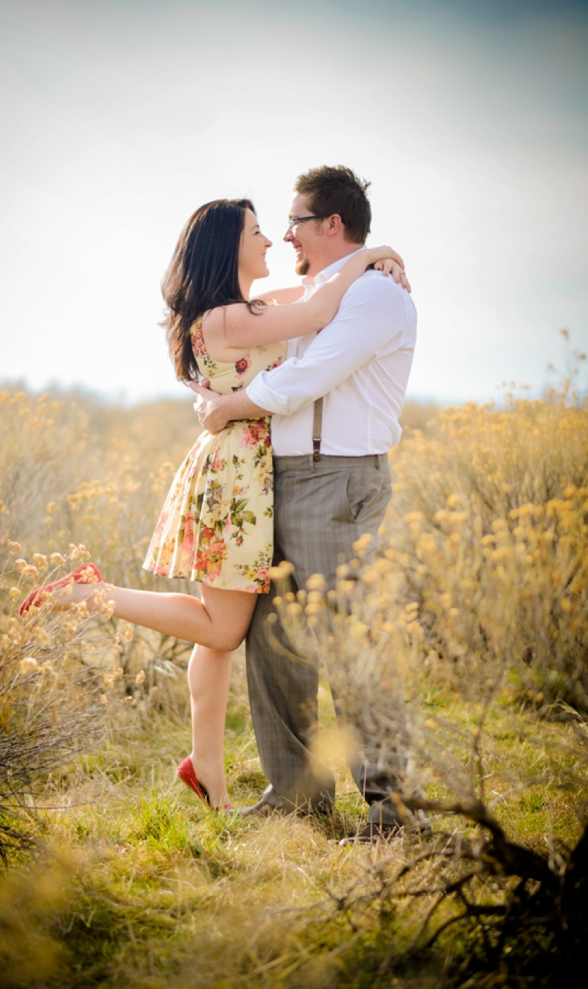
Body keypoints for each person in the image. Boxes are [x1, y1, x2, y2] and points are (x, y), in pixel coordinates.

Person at [18, 195, 407, 810]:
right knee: (224, 629)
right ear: (228, 245)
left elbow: (309, 298)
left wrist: (360, 262)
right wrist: (376, 255)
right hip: (236, 479)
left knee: (221, 635)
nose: (272, 242)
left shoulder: (239, 310)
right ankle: (92, 593)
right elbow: (318, 310)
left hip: (247, 473)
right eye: (258, 232)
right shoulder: (227, 320)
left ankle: (208, 773)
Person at [190, 166, 418, 842]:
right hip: (278, 479)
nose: (284, 233)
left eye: (294, 220)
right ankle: (296, 797)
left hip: (337, 478)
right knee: (272, 642)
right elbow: (238, 345)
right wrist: (212, 395)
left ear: (332, 225)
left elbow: (307, 375)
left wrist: (229, 407)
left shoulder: (377, 295)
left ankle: (389, 806)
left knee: (342, 638)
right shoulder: (317, 290)